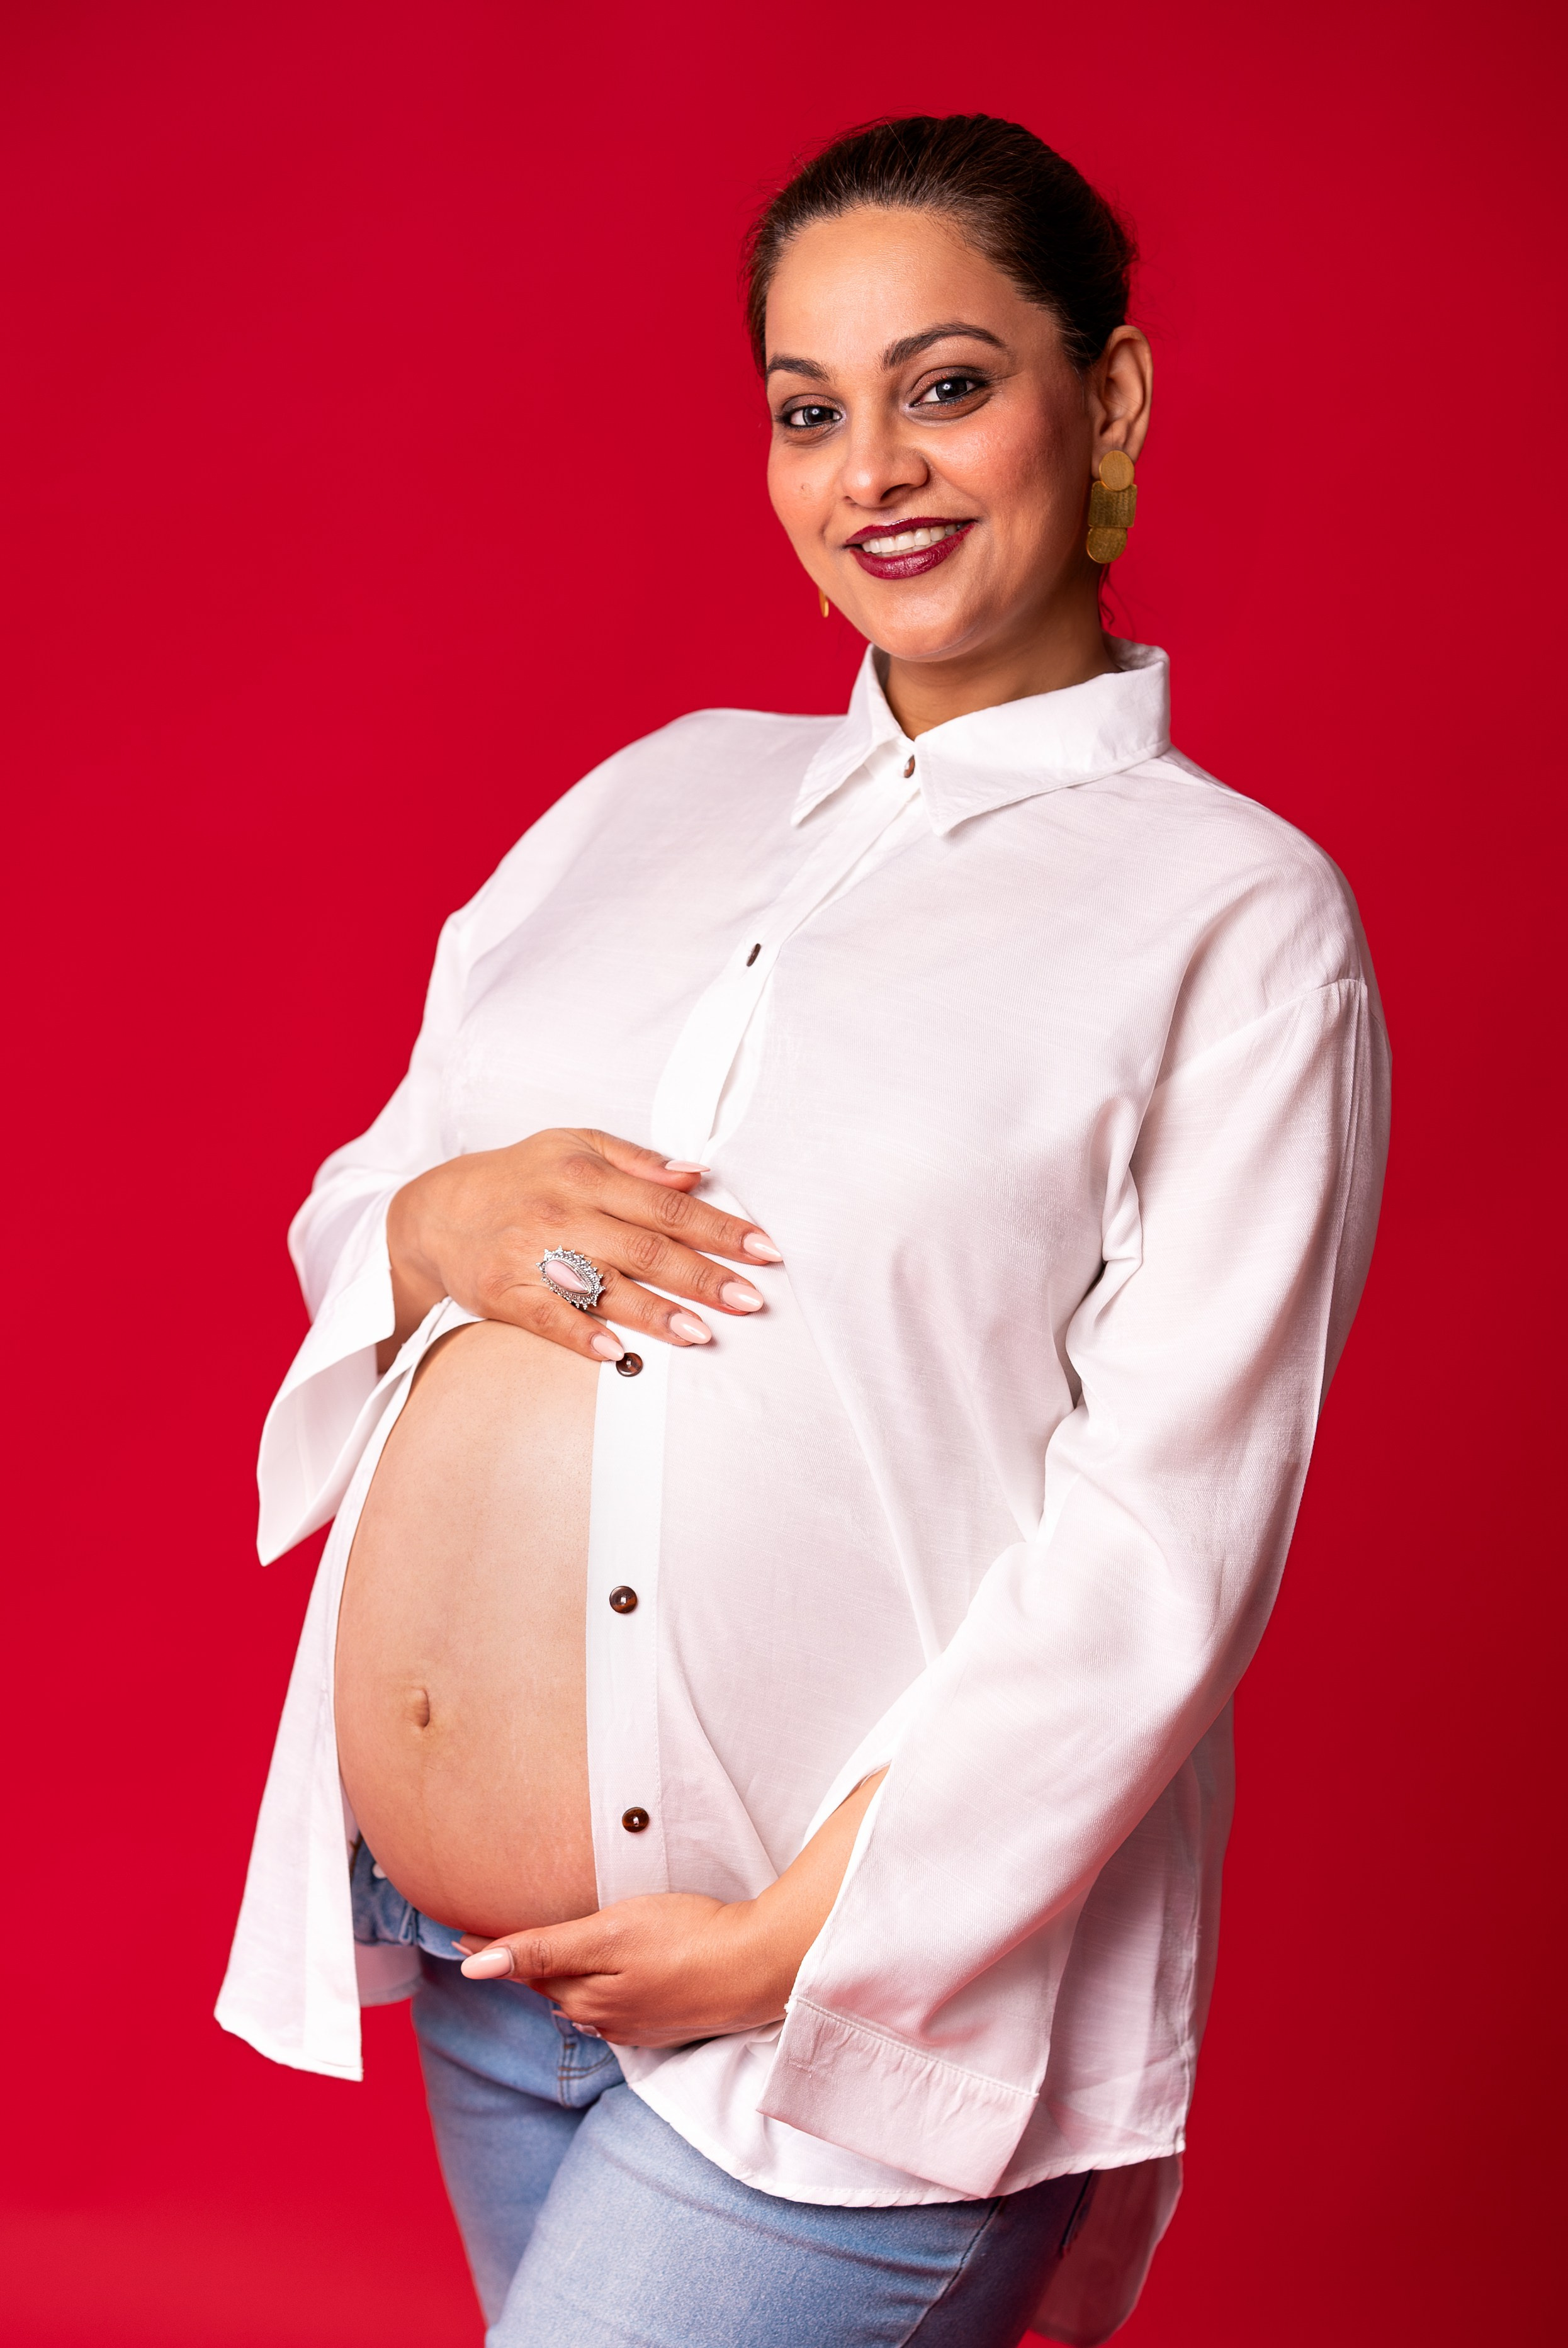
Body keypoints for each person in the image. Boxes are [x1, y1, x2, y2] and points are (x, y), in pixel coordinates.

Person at [218, 113, 1389, 2347]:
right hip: (492, 1983)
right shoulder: (647, 799)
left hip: (843, 2014)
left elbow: (1162, 1543)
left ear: (1106, 399)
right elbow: (360, 1208)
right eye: (808, 409)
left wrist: (785, 1946)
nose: (877, 468)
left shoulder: (1235, 919)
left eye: (944, 384)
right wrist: (447, 1219)